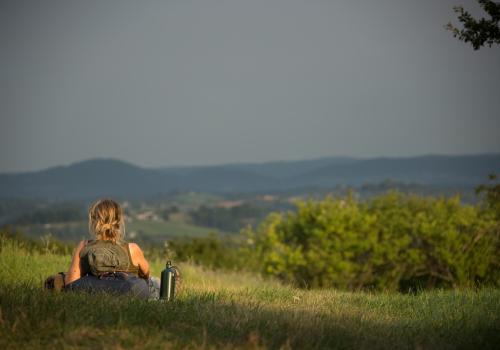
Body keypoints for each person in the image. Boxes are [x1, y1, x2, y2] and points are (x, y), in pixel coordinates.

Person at [63, 198, 159, 299]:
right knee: (156, 282)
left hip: (94, 291)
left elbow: (71, 282)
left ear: (94, 221)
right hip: (129, 292)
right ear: (119, 222)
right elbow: (146, 274)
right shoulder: (132, 249)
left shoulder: (84, 246)